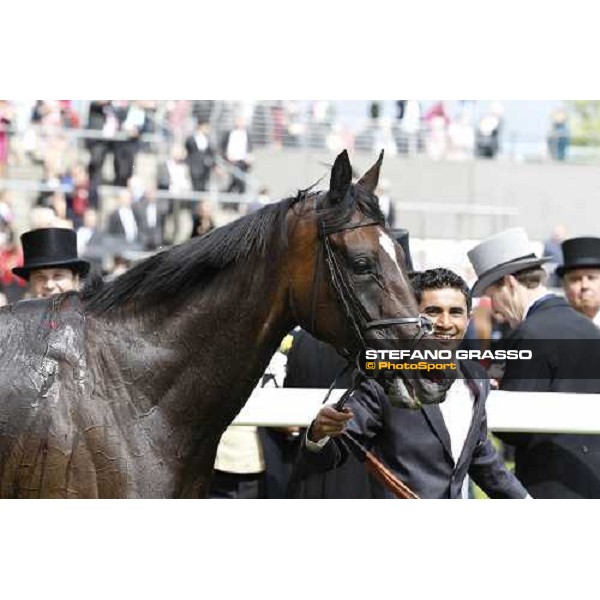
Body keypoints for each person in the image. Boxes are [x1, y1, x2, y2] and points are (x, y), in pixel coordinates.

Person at [293, 267, 529, 499]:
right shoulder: (384, 379)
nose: (445, 322)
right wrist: (318, 433)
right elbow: (332, 452)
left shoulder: (476, 377)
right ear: (413, 318)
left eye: (455, 312)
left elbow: (477, 452)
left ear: (468, 319)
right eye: (433, 311)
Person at [468, 227, 600, 498]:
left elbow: (515, 429)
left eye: (492, 296)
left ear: (509, 283)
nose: (493, 307)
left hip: (548, 482)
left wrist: (493, 394)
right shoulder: (589, 330)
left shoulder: (530, 333)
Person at [11, 227, 90, 299]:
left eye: (58, 276)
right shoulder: (15, 314)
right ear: (30, 284)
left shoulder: (90, 314)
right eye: (40, 277)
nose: (49, 285)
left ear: (75, 280)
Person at [557, 236, 600, 326]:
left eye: (591, 278)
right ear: (565, 286)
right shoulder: (556, 326)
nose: (584, 285)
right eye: (576, 279)